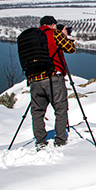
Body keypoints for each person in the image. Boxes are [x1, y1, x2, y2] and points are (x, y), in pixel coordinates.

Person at [28, 15, 76, 149]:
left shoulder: (32, 37)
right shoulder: (54, 34)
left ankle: (40, 141)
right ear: (53, 25)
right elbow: (70, 48)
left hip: (34, 80)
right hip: (53, 78)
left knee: (37, 111)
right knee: (60, 108)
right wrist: (64, 35)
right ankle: (60, 140)